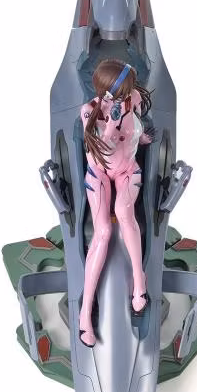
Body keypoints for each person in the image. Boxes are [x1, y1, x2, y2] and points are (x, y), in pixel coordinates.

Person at [79, 59, 154, 347]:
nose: (128, 96)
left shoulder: (133, 99)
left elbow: (135, 128)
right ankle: (85, 313)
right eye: (123, 91)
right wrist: (111, 124)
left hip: (126, 169)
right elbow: (99, 151)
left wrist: (141, 137)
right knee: (103, 232)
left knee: (124, 211)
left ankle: (139, 282)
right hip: (99, 171)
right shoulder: (89, 112)